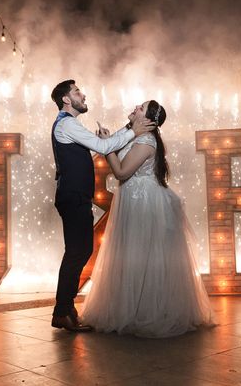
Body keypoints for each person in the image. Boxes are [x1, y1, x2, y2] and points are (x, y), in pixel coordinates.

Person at [81, 100, 215, 338]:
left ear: (149, 120)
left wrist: (106, 147)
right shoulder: (131, 133)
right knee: (132, 255)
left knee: (142, 254)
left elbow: (121, 172)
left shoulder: (145, 141)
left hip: (144, 203)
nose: (135, 107)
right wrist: (108, 139)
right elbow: (117, 156)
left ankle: (147, 311)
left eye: (141, 108)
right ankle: (130, 309)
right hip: (132, 198)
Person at [50, 80, 155, 332]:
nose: (82, 94)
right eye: (77, 92)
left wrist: (130, 128)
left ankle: (65, 310)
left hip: (75, 197)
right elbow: (106, 147)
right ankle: (62, 312)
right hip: (73, 197)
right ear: (66, 99)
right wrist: (134, 130)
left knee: (80, 252)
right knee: (77, 253)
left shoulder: (70, 124)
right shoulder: (66, 123)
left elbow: (104, 145)